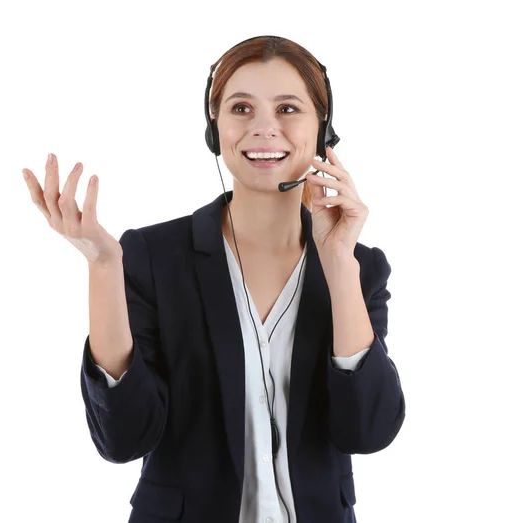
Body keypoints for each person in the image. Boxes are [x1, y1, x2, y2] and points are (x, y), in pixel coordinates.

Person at [22, 35, 405, 523]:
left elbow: (368, 432)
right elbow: (123, 439)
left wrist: (337, 263)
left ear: (323, 127)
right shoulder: (153, 256)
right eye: (241, 108)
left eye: (288, 109)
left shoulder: (360, 266)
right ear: (214, 127)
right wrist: (103, 266)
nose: (264, 129)